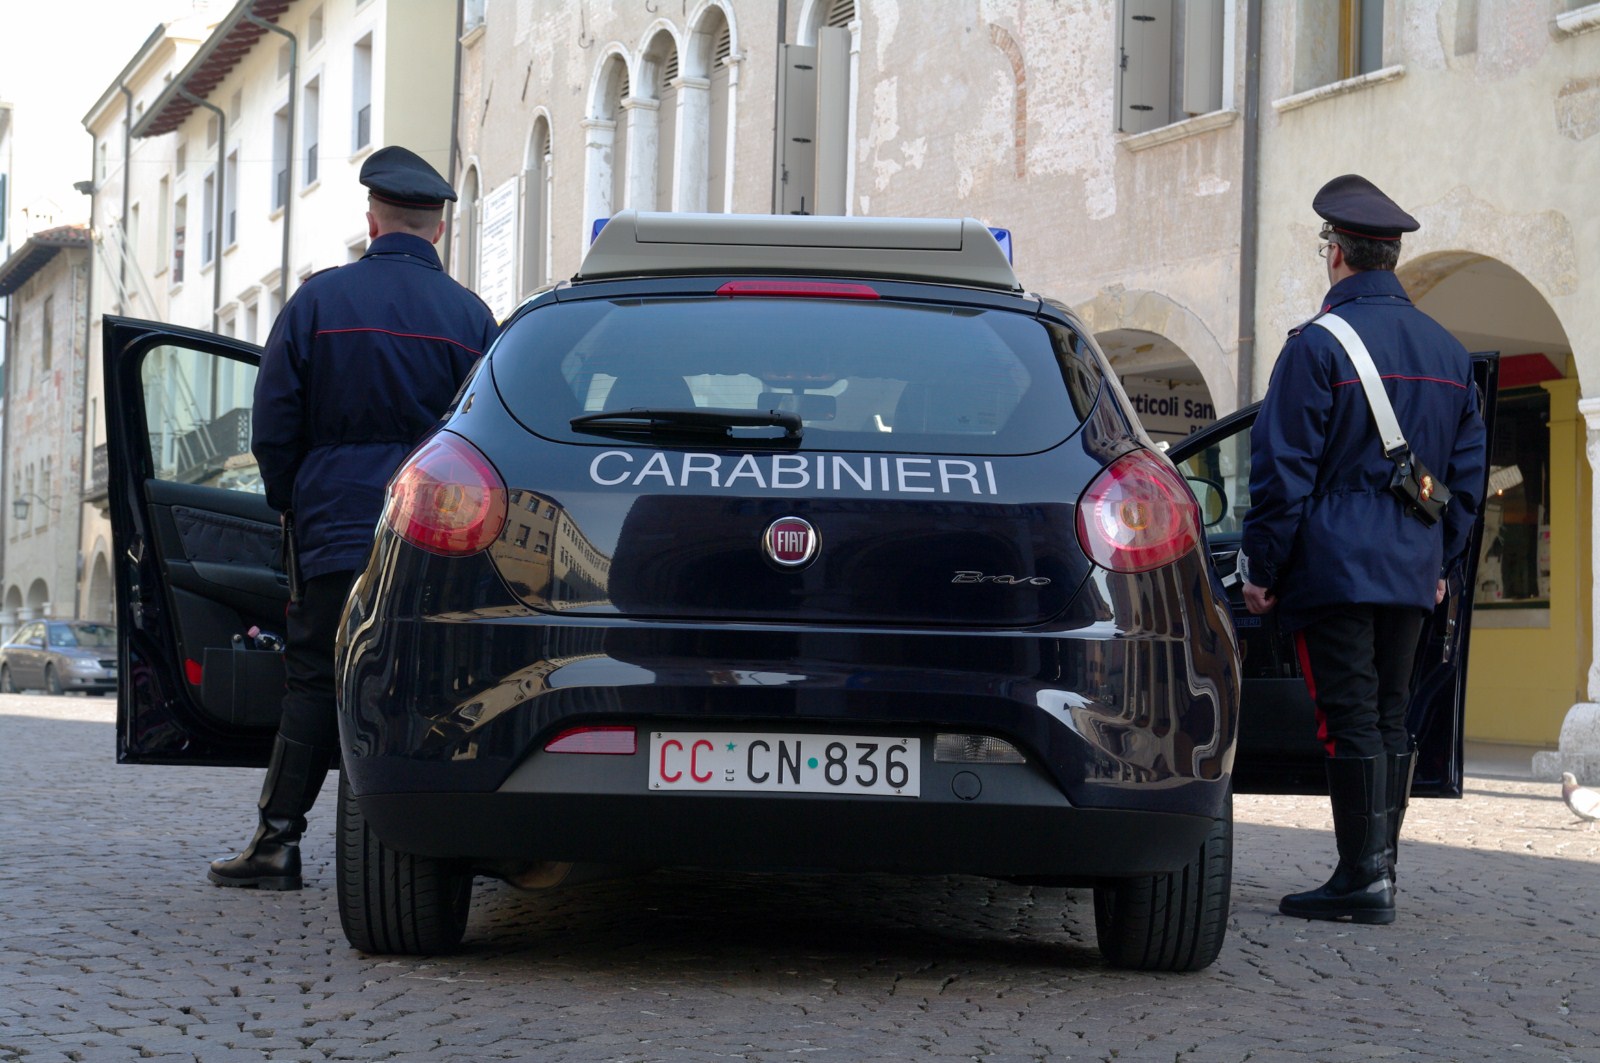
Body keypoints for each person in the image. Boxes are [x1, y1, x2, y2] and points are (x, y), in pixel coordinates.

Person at [208, 146, 499, 890]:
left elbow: (273, 424)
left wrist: (295, 501)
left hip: (335, 522)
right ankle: (445, 847)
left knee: (314, 677)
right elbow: (487, 435)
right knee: (436, 679)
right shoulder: (472, 317)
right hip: (439, 530)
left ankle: (277, 841)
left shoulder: (318, 303)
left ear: (372, 220)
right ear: (438, 228)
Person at [1238, 174, 1487, 925]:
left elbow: (1282, 472)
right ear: (1391, 255)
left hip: (1334, 568)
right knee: (1388, 715)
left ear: (1336, 254)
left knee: (1345, 716)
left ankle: (1361, 878)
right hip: (1411, 570)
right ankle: (1380, 871)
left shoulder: (1317, 345)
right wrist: (1443, 565)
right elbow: (1466, 479)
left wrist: (1262, 568)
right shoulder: (1449, 352)